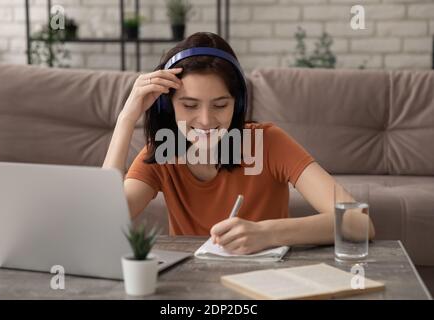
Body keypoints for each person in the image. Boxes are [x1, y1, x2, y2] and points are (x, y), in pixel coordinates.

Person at [103, 32, 375, 255]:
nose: (206, 120)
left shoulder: (268, 143)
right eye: (189, 105)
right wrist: (127, 117)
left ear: (238, 104)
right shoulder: (163, 151)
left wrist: (268, 233)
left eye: (221, 105)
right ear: (169, 106)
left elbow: (359, 222)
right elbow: (103, 221)